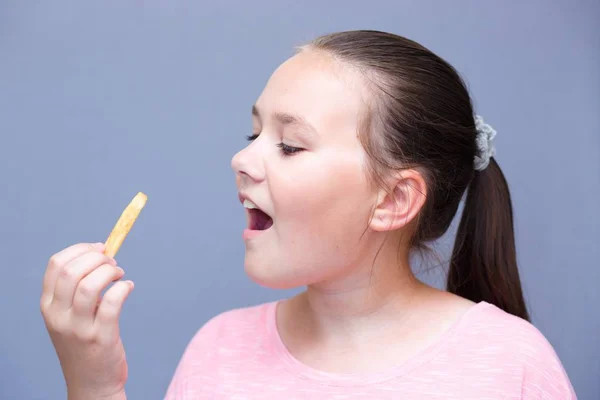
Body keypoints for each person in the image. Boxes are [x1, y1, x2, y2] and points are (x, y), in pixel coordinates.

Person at [40, 30, 576, 399]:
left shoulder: (511, 366)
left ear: (393, 200)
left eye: (290, 145)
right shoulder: (218, 352)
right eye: (254, 134)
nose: (242, 159)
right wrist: (94, 387)